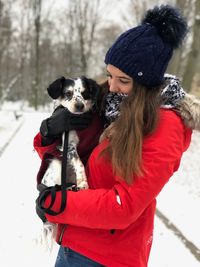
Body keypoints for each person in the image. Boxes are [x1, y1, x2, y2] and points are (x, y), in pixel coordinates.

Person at [34, 5, 193, 267]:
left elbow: (123, 206)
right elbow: (70, 156)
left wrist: (59, 204)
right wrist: (49, 132)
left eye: (124, 80)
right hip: (74, 243)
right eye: (109, 75)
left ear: (146, 83)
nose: (112, 86)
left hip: (108, 257)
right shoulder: (111, 106)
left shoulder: (165, 125)